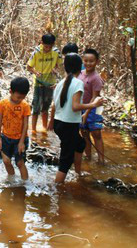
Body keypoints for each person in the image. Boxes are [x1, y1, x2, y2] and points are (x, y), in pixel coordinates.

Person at [48, 53, 104, 183]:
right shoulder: (78, 83)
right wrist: (94, 104)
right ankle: (57, 188)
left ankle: (78, 174)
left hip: (59, 123)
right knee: (66, 159)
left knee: (80, 144)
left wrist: (51, 121)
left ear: (65, 68)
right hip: (68, 125)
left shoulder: (61, 83)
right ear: (80, 67)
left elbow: (54, 105)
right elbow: (75, 106)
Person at [27, 33, 63, 133]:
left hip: (51, 83)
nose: (47, 49)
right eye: (46, 46)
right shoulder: (36, 52)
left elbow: (58, 64)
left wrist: (55, 69)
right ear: (42, 43)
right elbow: (28, 67)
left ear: (53, 45)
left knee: (46, 107)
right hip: (38, 83)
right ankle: (33, 131)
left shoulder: (56, 52)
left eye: (50, 47)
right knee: (36, 107)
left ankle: (44, 130)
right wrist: (35, 72)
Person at [0, 77, 31, 180]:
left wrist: (21, 142)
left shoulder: (25, 106)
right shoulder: (2, 104)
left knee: (20, 163)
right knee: (6, 161)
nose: (20, 100)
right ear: (11, 91)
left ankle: (24, 185)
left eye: (23, 97)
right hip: (6, 137)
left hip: (20, 138)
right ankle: (11, 180)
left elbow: (25, 125)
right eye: (18, 97)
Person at [79, 48, 106, 164]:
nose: (88, 63)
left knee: (96, 133)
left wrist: (86, 113)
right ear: (82, 60)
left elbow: (95, 97)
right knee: (84, 132)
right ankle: (88, 156)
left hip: (96, 107)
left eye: (91, 61)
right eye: (86, 61)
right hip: (83, 106)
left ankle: (101, 160)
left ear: (97, 62)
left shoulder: (96, 78)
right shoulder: (80, 74)